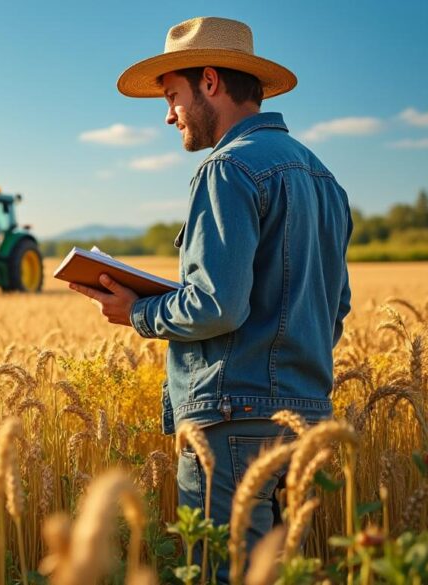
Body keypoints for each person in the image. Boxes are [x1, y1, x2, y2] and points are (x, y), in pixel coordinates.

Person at [67, 16, 352, 580]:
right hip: (309, 415)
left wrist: (137, 311)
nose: (169, 114)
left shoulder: (226, 169)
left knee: (223, 571)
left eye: (172, 96)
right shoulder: (326, 180)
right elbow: (334, 307)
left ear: (211, 82)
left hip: (232, 419)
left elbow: (216, 305)